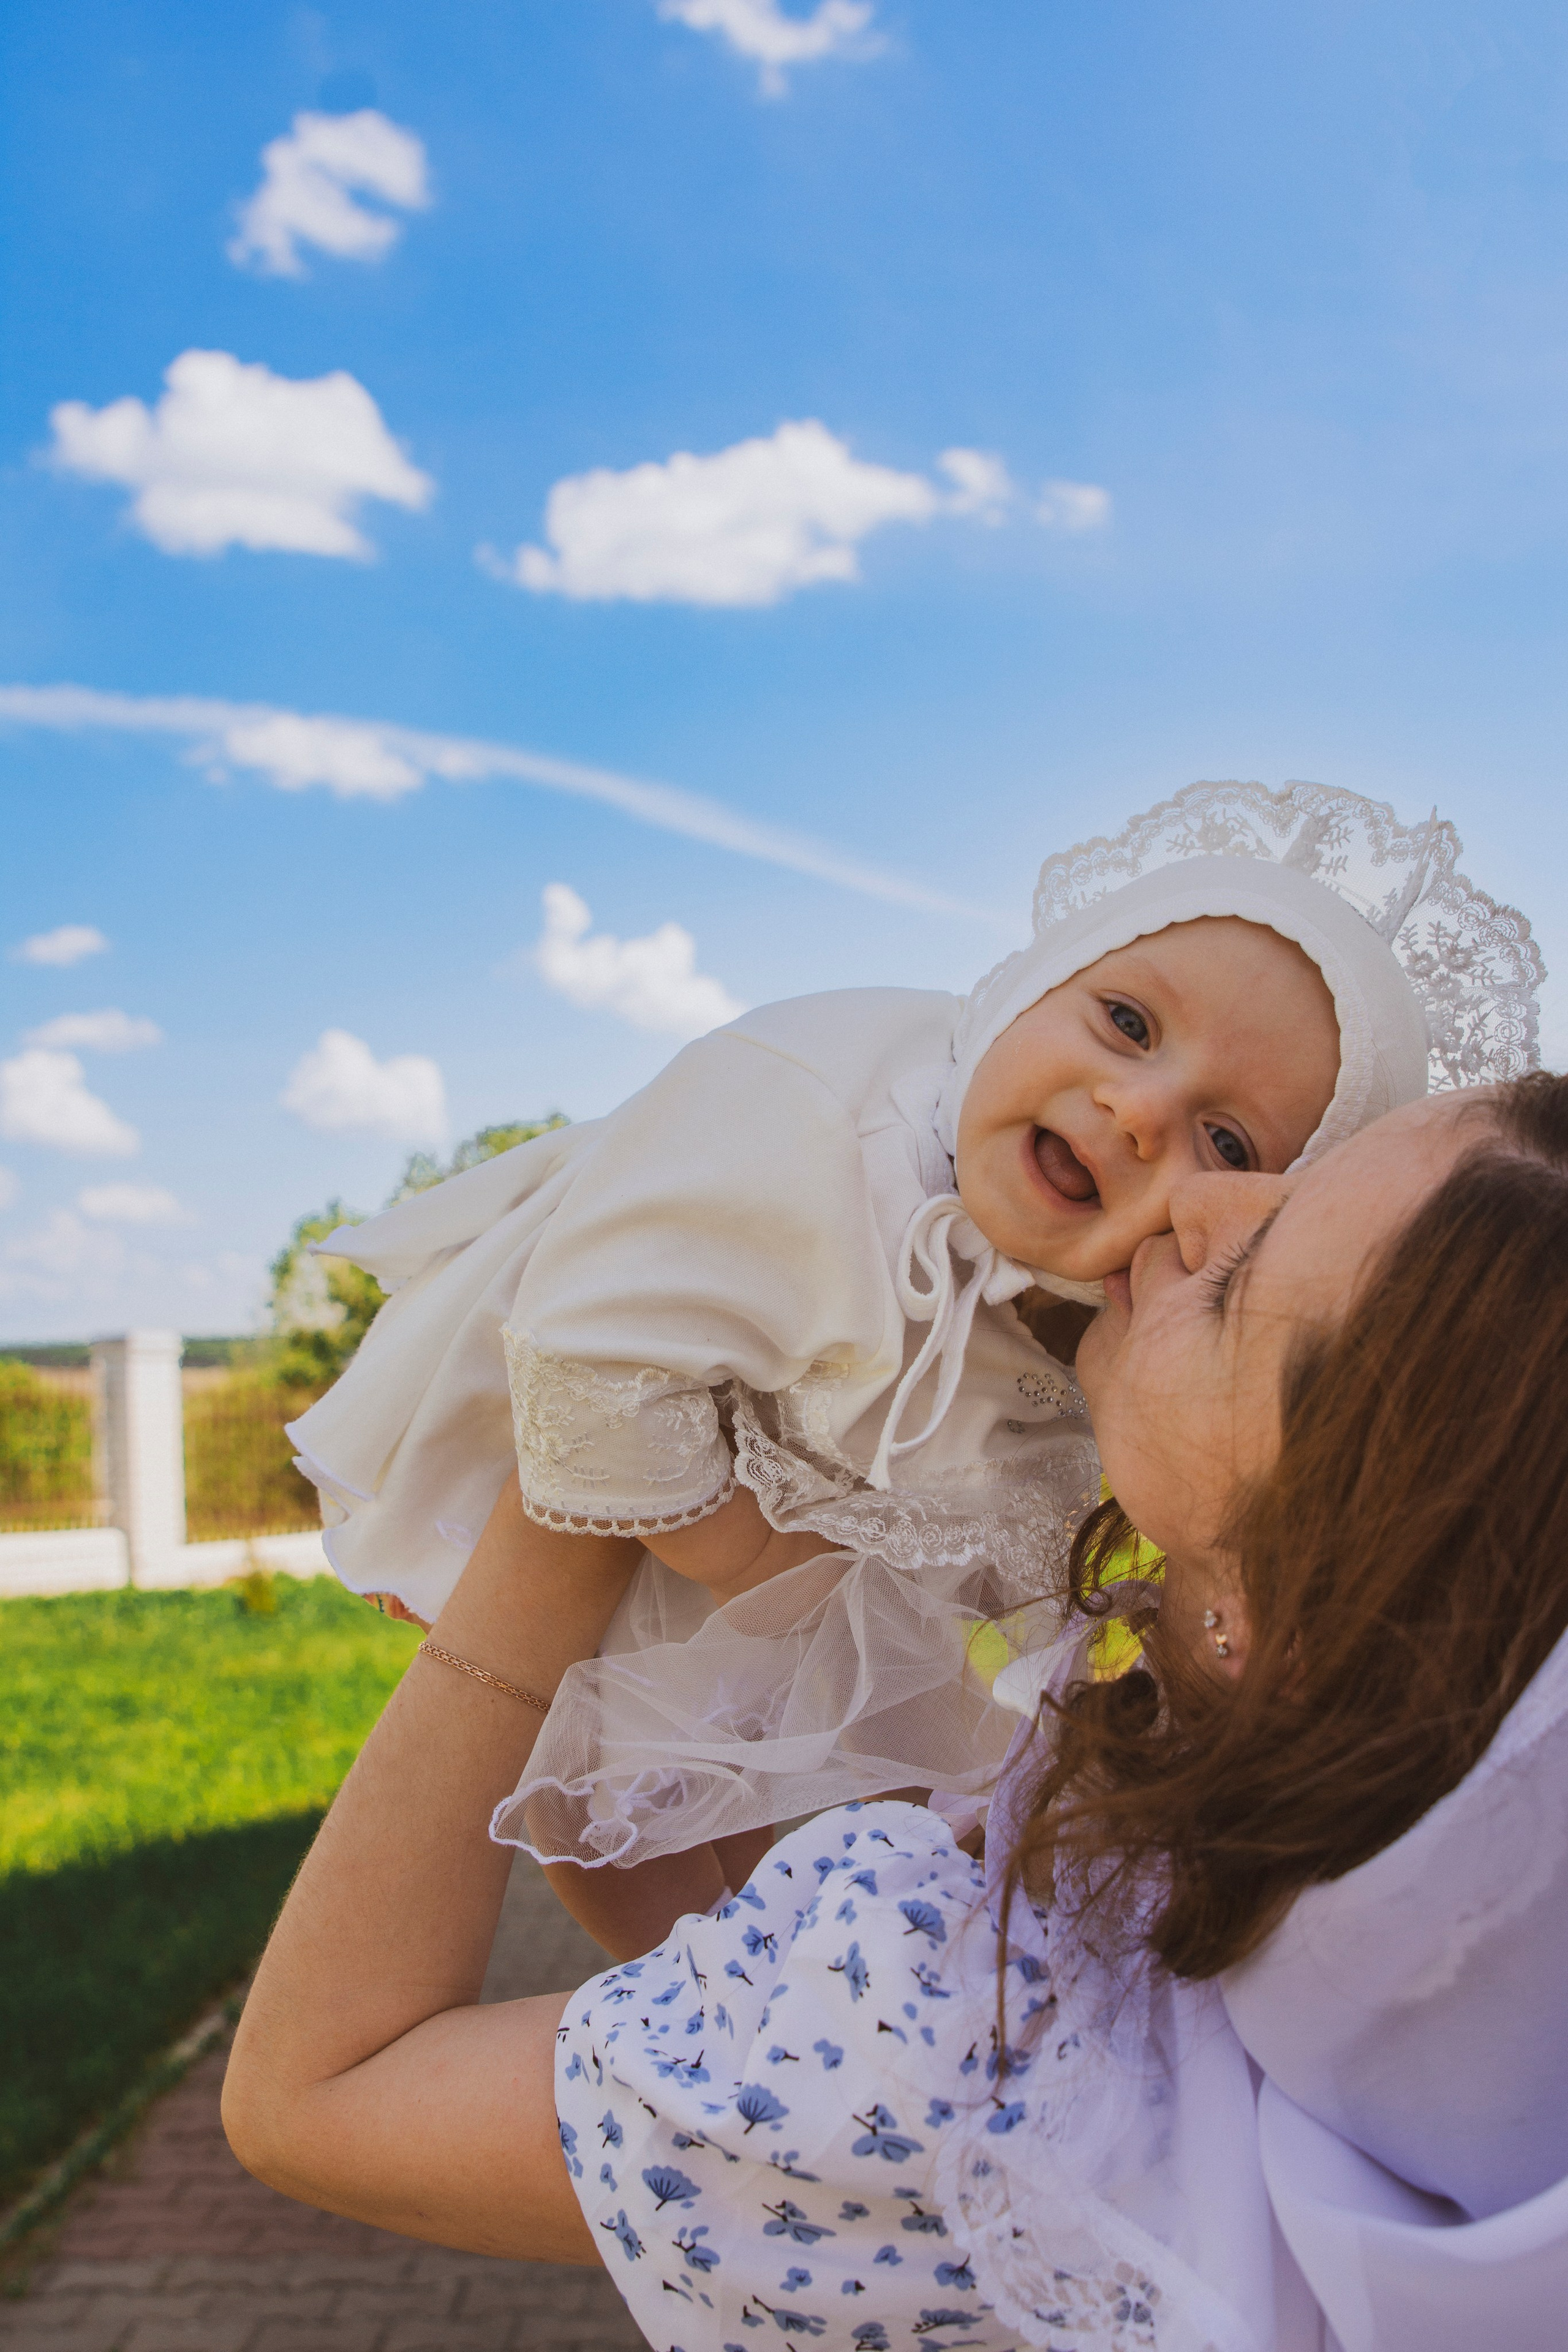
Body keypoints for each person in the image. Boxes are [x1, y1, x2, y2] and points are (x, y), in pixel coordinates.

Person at [225, 1071, 1568, 2351]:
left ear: (1298, 1604)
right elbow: (763, 1972)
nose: (1195, 1205)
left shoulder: (1007, 2088)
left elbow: (319, 2095)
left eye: (1236, 1284)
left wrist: (562, 1507)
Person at [282, 781, 1537, 1942]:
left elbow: (1046, 1499)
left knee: (809, 1774)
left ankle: (797, 1953)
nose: (1138, 1109)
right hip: (637, 1463)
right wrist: (750, 1567)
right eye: (1123, 1020)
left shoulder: (1099, 1305)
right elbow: (585, 1345)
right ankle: (676, 2001)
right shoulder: (806, 1109)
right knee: (595, 1791)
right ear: (1031, 982)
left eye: (1220, 1137)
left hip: (818, 1501)